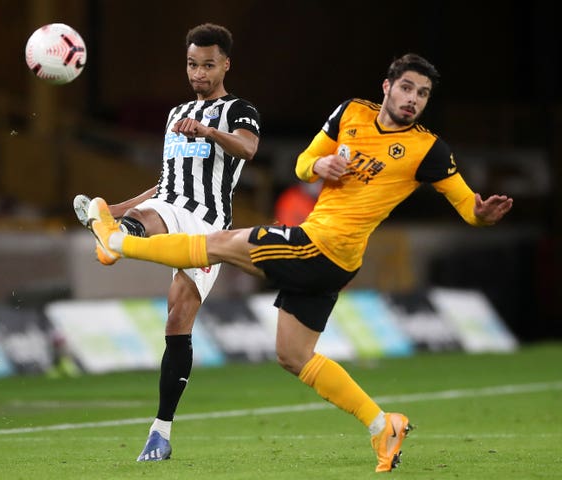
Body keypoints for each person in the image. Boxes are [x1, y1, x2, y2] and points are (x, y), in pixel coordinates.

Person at [87, 53, 513, 472]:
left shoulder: (428, 149)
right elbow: (303, 164)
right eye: (406, 88)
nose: (413, 99)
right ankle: (383, 425)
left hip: (323, 246)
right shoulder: (351, 114)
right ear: (387, 87)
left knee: (217, 243)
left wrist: (481, 215)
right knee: (293, 354)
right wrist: (321, 164)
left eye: (422, 94)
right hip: (329, 254)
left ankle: (118, 241)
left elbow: (465, 204)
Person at [74, 23, 260, 462]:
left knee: (179, 321)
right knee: (145, 216)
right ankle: (114, 234)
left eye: (208, 65)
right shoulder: (175, 113)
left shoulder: (239, 109)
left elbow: (249, 150)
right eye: (193, 64)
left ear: (225, 65)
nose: (198, 73)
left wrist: (210, 133)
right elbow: (164, 183)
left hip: (208, 223)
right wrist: (115, 209)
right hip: (168, 207)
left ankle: (161, 430)